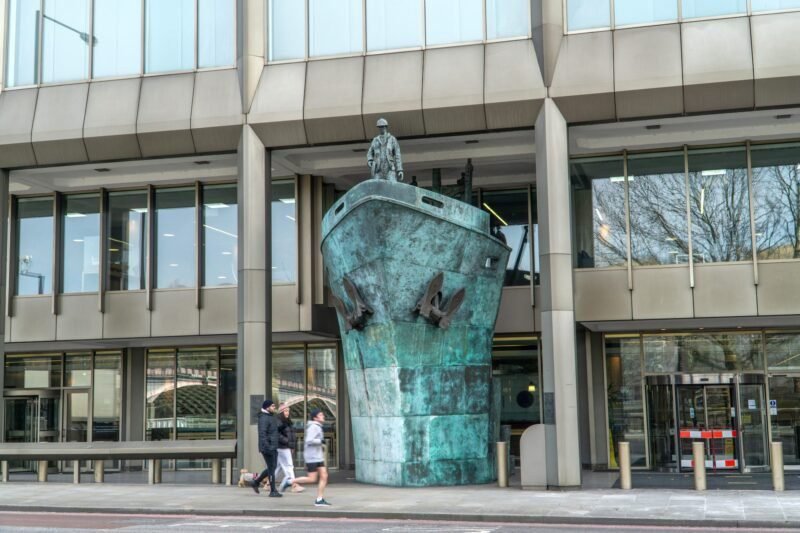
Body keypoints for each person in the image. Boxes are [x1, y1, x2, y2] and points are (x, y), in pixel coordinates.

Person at [290, 409, 331, 506]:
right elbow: (309, 440)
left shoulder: (317, 426)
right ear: (315, 418)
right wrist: (320, 441)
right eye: (320, 415)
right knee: (312, 479)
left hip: (318, 457)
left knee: (324, 476)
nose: (323, 416)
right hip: (312, 457)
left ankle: (319, 499)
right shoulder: (313, 427)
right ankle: (290, 481)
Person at [251, 399, 282, 497]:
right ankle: (273, 491)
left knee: (271, 467)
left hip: (273, 446)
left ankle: (256, 482)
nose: (274, 407)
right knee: (272, 468)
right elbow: (262, 434)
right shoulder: (264, 418)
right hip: (268, 447)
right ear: (267, 407)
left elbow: (279, 426)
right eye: (272, 406)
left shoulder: (271, 416)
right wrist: (268, 447)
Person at [276, 403, 303, 493]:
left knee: (278, 467)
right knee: (289, 465)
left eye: (288, 411)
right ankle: (294, 484)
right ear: (281, 412)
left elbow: (291, 434)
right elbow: (277, 435)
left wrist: (291, 445)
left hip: (286, 446)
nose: (287, 413)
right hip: (282, 447)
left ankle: (268, 483)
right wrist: (287, 441)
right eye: (286, 411)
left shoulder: (287, 421)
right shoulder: (279, 421)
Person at [367, 118, 404, 182]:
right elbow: (370, 152)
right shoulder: (375, 140)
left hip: (389, 169)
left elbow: (398, 155)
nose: (381, 128)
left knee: (392, 186)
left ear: (386, 127)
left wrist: (399, 169)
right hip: (378, 169)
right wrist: (369, 160)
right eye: (379, 127)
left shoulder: (392, 139)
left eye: (382, 127)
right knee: (376, 187)